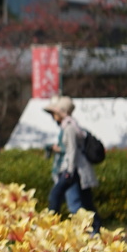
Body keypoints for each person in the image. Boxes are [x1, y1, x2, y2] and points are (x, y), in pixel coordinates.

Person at [44, 94, 101, 231]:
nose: (53, 115)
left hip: (73, 170)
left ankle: (51, 226)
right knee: (86, 203)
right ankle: (96, 229)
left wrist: (68, 172)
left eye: (54, 112)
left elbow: (72, 150)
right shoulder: (72, 125)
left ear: (61, 112)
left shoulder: (69, 127)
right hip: (78, 169)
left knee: (63, 198)